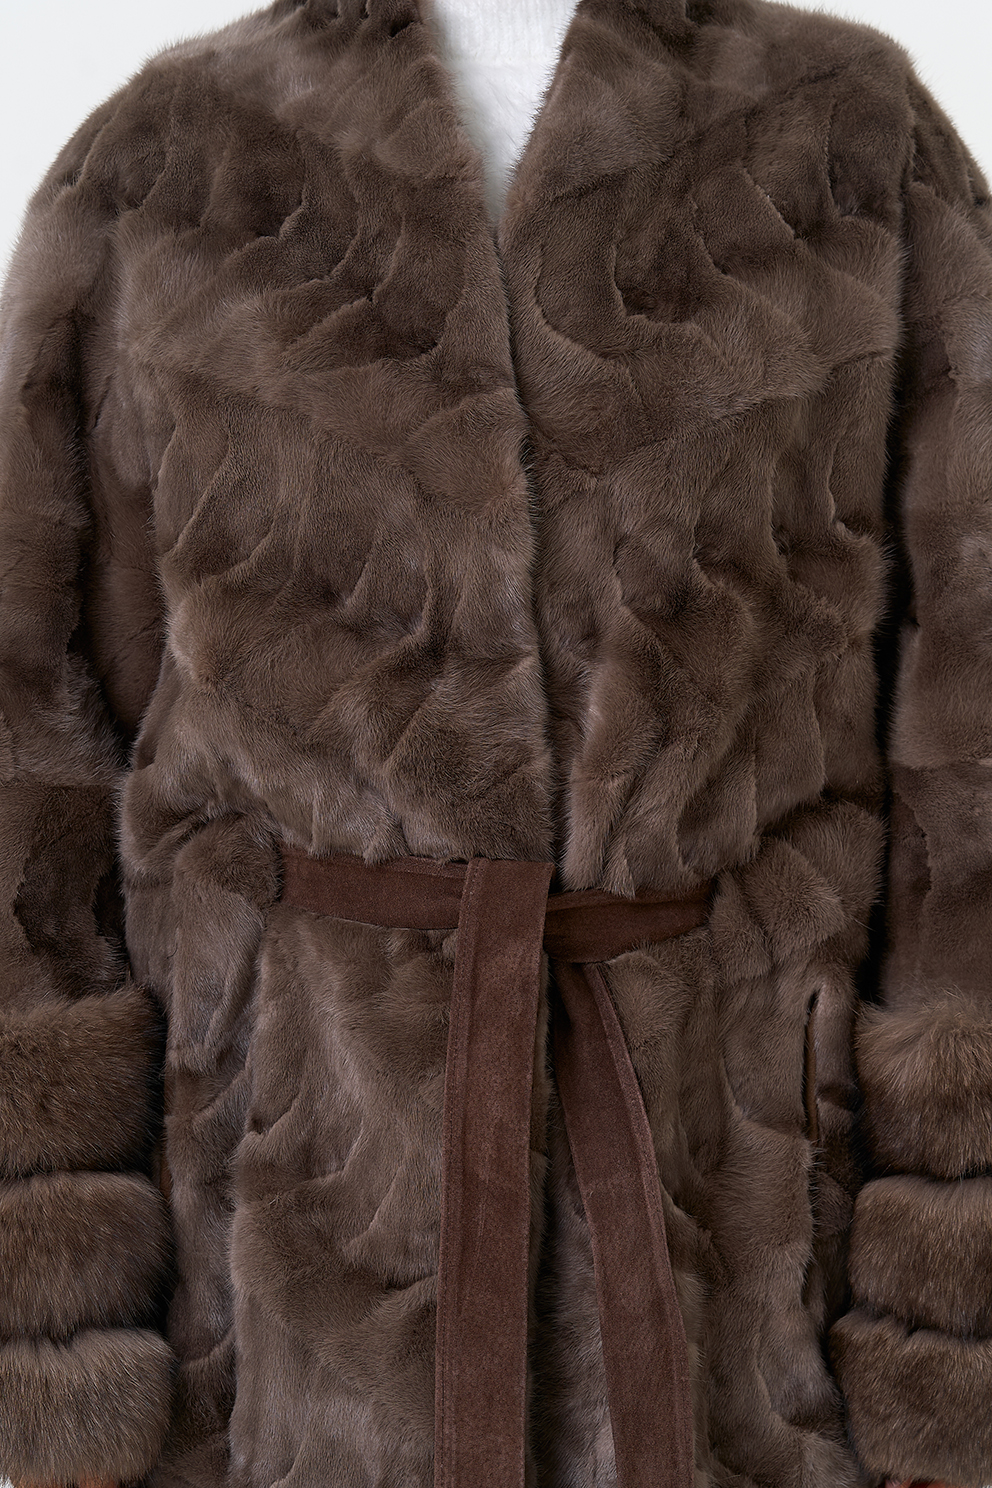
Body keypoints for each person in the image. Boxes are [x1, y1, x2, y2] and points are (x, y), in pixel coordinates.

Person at [0, 0, 990, 1485]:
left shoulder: (852, 142)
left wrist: (944, 1311)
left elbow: (968, 748)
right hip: (283, 1270)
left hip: (744, 1248)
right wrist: (60, 1317)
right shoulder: (168, 166)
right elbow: (35, 758)